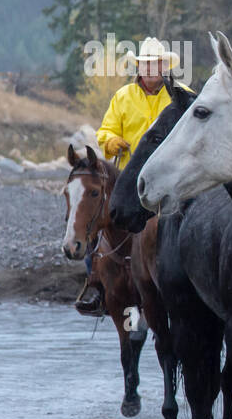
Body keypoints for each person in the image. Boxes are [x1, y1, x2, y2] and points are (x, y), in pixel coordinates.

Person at [75, 37, 184, 317]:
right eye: (145, 64)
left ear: (164, 66)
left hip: (171, 178)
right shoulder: (123, 96)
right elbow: (105, 131)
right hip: (127, 179)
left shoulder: (180, 95)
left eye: (155, 64)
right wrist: (112, 143)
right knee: (96, 220)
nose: (150, 69)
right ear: (140, 67)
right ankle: (97, 284)